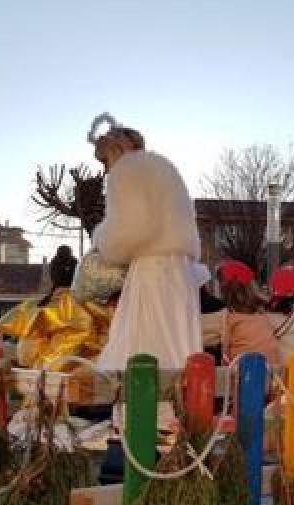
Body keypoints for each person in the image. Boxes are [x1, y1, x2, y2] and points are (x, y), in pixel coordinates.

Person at [84, 113, 203, 372]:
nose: (106, 170)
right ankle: (183, 408)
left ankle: (148, 410)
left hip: (153, 272)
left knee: (144, 349)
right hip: (180, 273)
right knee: (179, 351)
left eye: (105, 161)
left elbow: (133, 228)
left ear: (113, 151)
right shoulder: (162, 166)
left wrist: (101, 240)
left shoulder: (126, 171)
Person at [0, 245, 112, 370]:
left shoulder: (56, 303)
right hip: (59, 364)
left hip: (55, 366)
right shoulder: (74, 300)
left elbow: (27, 354)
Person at [204, 260, 281, 366]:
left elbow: (198, 332)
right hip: (272, 377)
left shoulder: (227, 317)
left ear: (225, 289)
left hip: (243, 377)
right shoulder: (263, 313)